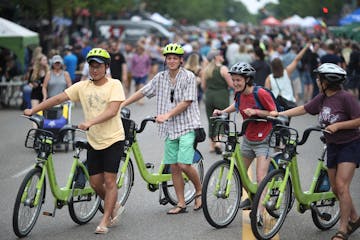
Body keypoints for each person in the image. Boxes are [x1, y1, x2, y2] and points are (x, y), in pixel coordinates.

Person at [24, 48, 126, 234]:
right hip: (94, 141)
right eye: (91, 66)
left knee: (110, 181)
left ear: (106, 67)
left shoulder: (114, 85)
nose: (94, 70)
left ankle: (105, 220)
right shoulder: (82, 86)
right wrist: (34, 110)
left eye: (98, 66)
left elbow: (112, 111)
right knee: (95, 183)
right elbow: (58, 98)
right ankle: (114, 205)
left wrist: (90, 122)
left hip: (113, 139)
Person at [270, 63, 360, 240]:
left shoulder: (345, 98)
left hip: (349, 145)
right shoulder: (323, 97)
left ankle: (343, 230)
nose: (317, 81)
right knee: (335, 188)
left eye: (320, 78)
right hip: (332, 146)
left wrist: (338, 126)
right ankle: (355, 218)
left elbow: (358, 120)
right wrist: (280, 114)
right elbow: (304, 108)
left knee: (342, 186)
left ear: (328, 81)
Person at [121, 43, 203, 214]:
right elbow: (143, 91)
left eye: (175, 58)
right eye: (169, 58)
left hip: (188, 125)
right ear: (165, 60)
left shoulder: (189, 77)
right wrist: (122, 103)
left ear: (181, 60)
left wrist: (167, 115)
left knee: (184, 165)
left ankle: (199, 190)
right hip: (170, 128)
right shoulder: (160, 77)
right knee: (173, 166)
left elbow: (186, 102)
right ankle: (181, 203)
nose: (171, 61)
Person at [213, 62, 277, 210]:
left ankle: (259, 214)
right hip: (248, 138)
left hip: (265, 139)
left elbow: (274, 113)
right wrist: (222, 111)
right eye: (233, 80)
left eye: (238, 80)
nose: (235, 83)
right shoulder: (239, 94)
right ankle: (253, 198)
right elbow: (236, 106)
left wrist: (257, 112)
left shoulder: (260, 93)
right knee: (241, 174)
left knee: (261, 178)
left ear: (247, 79)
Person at [202, 49, 233, 153]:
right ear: (216, 57)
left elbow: (203, 86)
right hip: (221, 95)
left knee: (211, 119)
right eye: (220, 54)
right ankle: (218, 142)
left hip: (209, 96)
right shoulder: (223, 69)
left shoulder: (205, 70)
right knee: (221, 117)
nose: (222, 56)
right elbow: (231, 84)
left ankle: (212, 145)